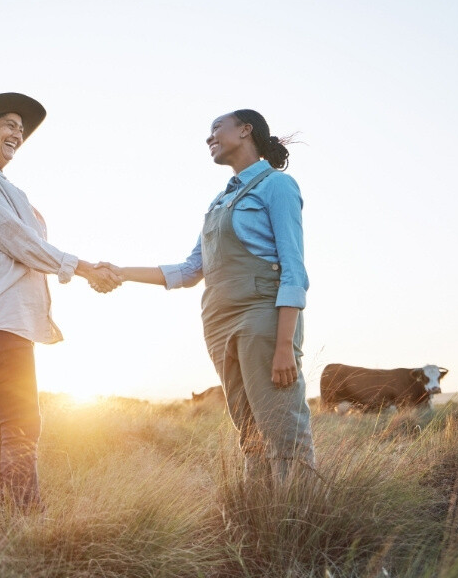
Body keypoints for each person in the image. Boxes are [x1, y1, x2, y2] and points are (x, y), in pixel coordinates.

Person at [99, 109, 315, 486]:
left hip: (261, 319)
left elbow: (294, 271)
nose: (208, 138)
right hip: (218, 325)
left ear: (245, 130)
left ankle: (302, 523)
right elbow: (189, 270)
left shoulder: (277, 186)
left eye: (216, 128)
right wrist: (122, 272)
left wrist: (284, 345)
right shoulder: (218, 202)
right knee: (249, 435)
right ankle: (262, 524)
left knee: (282, 428)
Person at [0, 92, 121, 511]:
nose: (18, 134)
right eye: (9, 124)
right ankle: (27, 515)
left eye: (22, 130)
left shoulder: (8, 188)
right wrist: (82, 268)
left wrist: (85, 268)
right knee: (23, 421)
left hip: (10, 319)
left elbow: (27, 241)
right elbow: (19, 241)